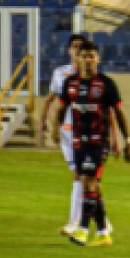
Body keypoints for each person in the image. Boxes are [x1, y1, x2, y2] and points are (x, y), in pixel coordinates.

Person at [55, 41, 130, 247]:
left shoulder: (106, 84)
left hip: (99, 142)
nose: (88, 60)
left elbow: (118, 113)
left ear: (98, 59)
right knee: (91, 186)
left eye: (92, 56)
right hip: (78, 141)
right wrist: (56, 129)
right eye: (84, 56)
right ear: (78, 59)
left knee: (88, 182)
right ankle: (104, 233)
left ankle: (82, 229)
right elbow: (62, 108)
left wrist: (127, 140)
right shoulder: (70, 83)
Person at [41, 34, 85, 236]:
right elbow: (51, 99)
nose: (77, 50)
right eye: (74, 46)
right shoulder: (60, 73)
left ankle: (73, 222)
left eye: (81, 47)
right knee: (84, 177)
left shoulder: (92, 76)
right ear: (69, 50)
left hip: (85, 131)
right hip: (66, 132)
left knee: (80, 175)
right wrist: (45, 124)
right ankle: (103, 221)